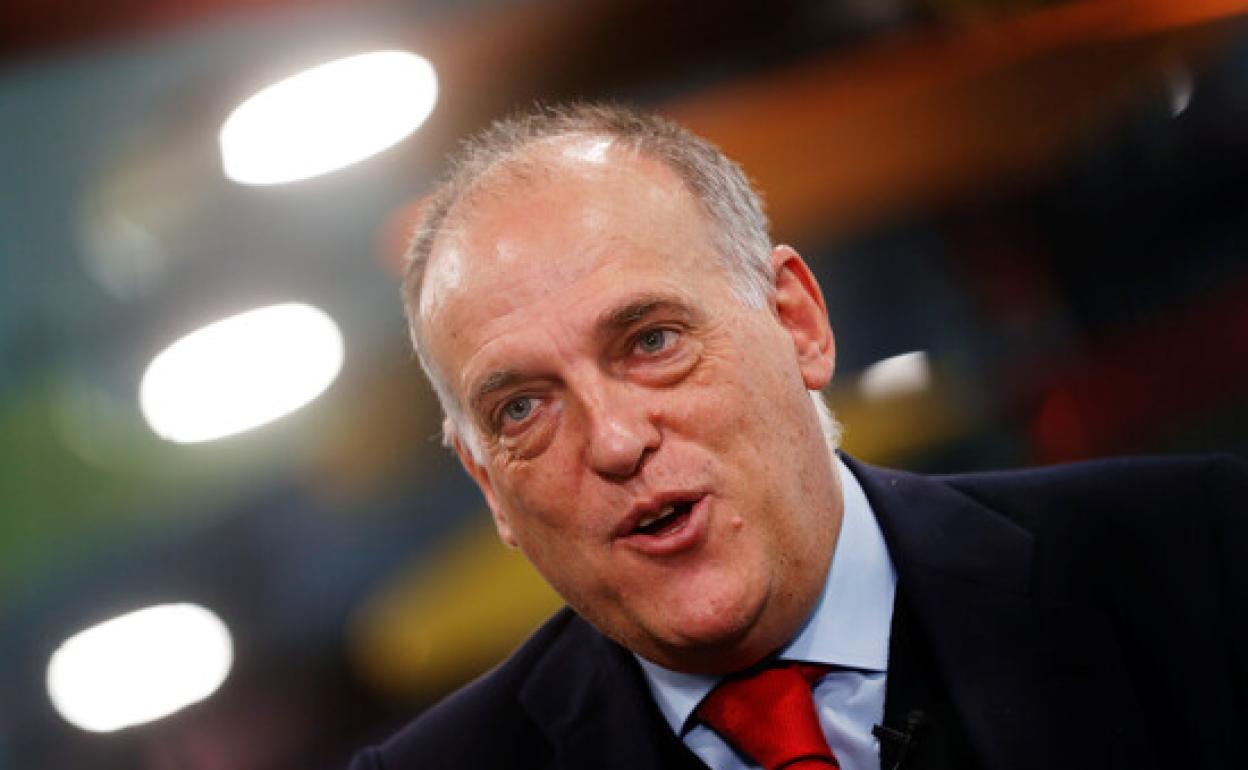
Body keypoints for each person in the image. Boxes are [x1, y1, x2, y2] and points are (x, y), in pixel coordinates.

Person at [349, 103, 1247, 770]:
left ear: (798, 323)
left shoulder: (1201, 553)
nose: (615, 441)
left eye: (653, 342)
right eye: (521, 409)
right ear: (489, 486)